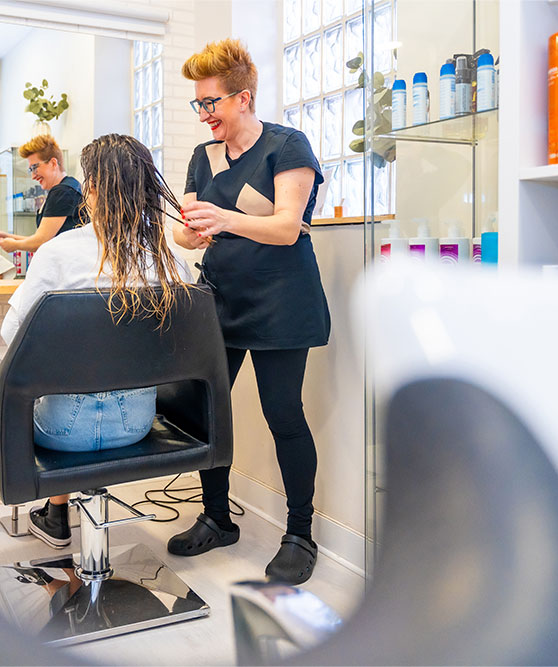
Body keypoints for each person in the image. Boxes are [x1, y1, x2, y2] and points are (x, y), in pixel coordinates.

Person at [168, 39, 331, 585]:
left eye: (210, 103)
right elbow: (186, 231)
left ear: (244, 98)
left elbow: (287, 227)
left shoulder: (287, 146)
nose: (204, 114)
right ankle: (217, 517)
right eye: (198, 104)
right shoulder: (202, 157)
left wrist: (223, 219)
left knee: (282, 412)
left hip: (282, 302)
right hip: (221, 298)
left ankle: (299, 534)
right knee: (204, 409)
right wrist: (190, 232)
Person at [0, 133, 192, 549]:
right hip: (137, 426)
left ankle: (53, 512)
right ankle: (59, 514)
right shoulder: (169, 262)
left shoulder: (59, 254)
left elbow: (11, 336)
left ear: (90, 190)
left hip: (60, 430)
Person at [0, 134, 86, 253]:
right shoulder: (69, 186)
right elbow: (43, 238)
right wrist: (7, 237)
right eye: (30, 170)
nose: (33, 176)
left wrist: (15, 245)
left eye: (34, 168)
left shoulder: (63, 192)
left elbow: (41, 242)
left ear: (53, 163)